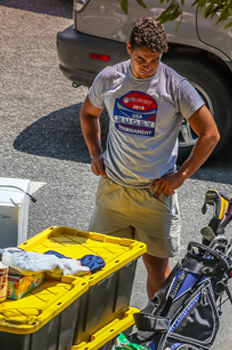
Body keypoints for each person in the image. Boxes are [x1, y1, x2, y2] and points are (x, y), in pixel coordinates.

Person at [79, 18, 220, 299]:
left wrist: (180, 175)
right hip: (114, 192)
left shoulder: (176, 86)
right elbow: (88, 113)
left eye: (155, 60)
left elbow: (210, 134)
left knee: (156, 266)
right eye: (141, 58)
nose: (148, 66)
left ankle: (153, 335)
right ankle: (102, 333)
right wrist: (95, 153)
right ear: (129, 49)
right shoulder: (109, 79)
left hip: (154, 195)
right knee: (102, 265)